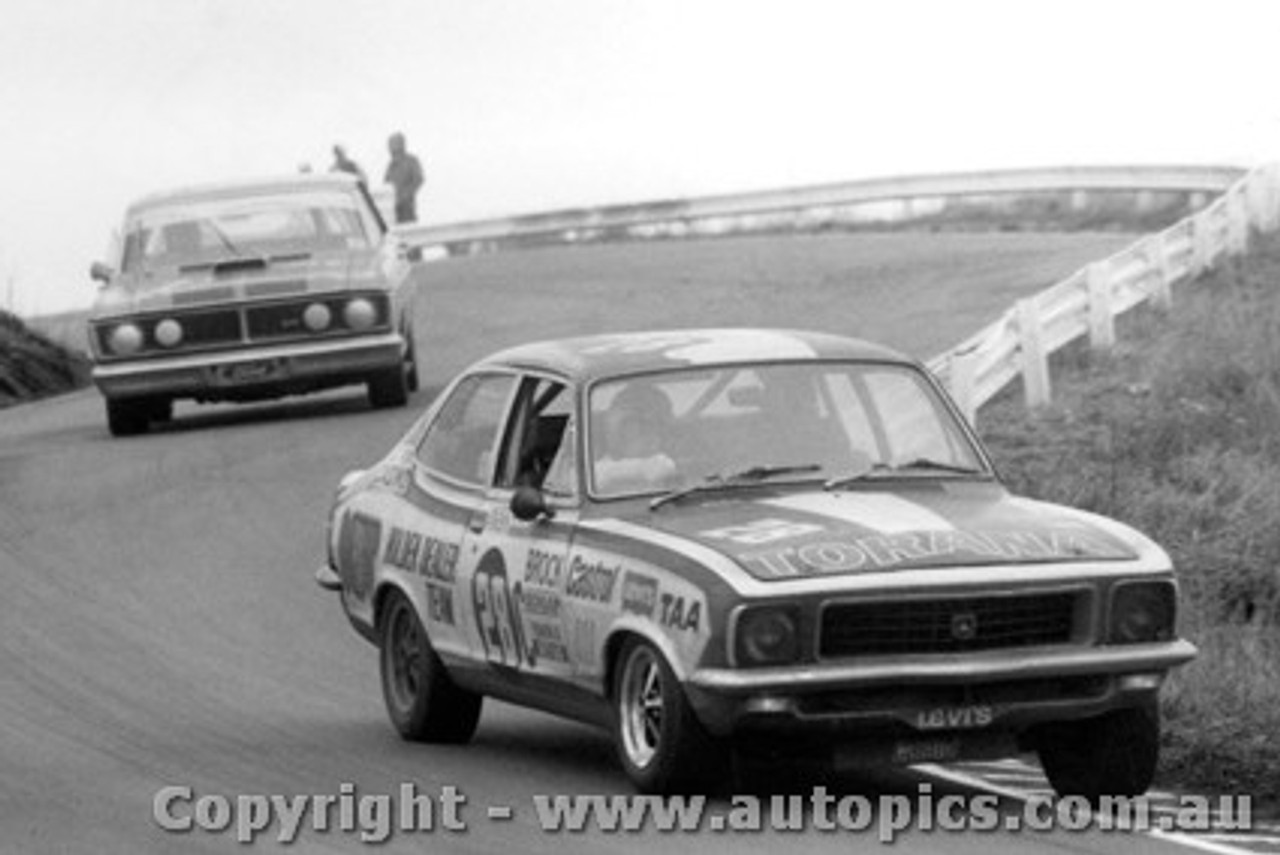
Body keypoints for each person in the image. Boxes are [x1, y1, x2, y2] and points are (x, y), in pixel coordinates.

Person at [593, 384, 679, 494]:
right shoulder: (589, 467)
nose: (634, 430)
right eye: (628, 422)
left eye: (644, 423)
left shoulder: (680, 462)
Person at [383, 132, 424, 224]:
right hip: (392, 210)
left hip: (407, 209)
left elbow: (419, 179)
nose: (389, 147)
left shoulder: (411, 161)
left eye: (392, 144)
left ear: (401, 144)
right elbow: (386, 186)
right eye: (389, 144)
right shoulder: (391, 166)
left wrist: (405, 196)